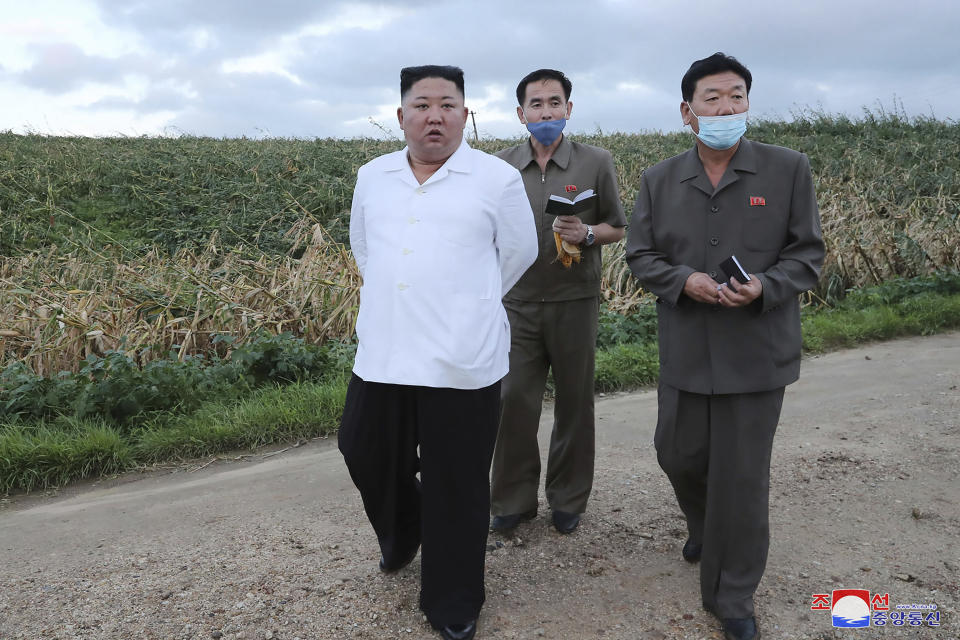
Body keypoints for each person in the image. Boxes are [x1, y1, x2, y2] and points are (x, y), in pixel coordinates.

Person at [625, 53, 824, 640]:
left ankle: (732, 594)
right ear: (688, 112)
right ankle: (709, 527)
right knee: (676, 452)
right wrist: (683, 280)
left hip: (756, 350)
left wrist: (766, 285)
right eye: (712, 98)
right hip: (687, 346)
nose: (726, 108)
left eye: (736, 96)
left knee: (741, 476)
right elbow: (641, 255)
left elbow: (807, 254)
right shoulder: (660, 179)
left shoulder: (787, 169)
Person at [338, 65, 538, 640]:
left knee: (458, 478)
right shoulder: (372, 176)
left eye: (448, 105)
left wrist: (464, 297)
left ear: (465, 116)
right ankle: (404, 533)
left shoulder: (494, 179)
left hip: (461, 351)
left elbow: (518, 254)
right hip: (385, 347)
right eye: (421, 105)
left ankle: (453, 598)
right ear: (401, 116)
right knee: (365, 448)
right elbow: (364, 247)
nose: (434, 116)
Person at [491, 69, 627, 536]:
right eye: (536, 104)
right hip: (516, 303)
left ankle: (568, 498)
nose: (545, 112)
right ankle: (511, 499)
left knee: (574, 401)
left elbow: (616, 225)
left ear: (569, 108)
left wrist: (587, 233)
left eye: (554, 102)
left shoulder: (595, 162)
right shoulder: (500, 166)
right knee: (513, 401)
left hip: (575, 300)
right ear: (520, 113)